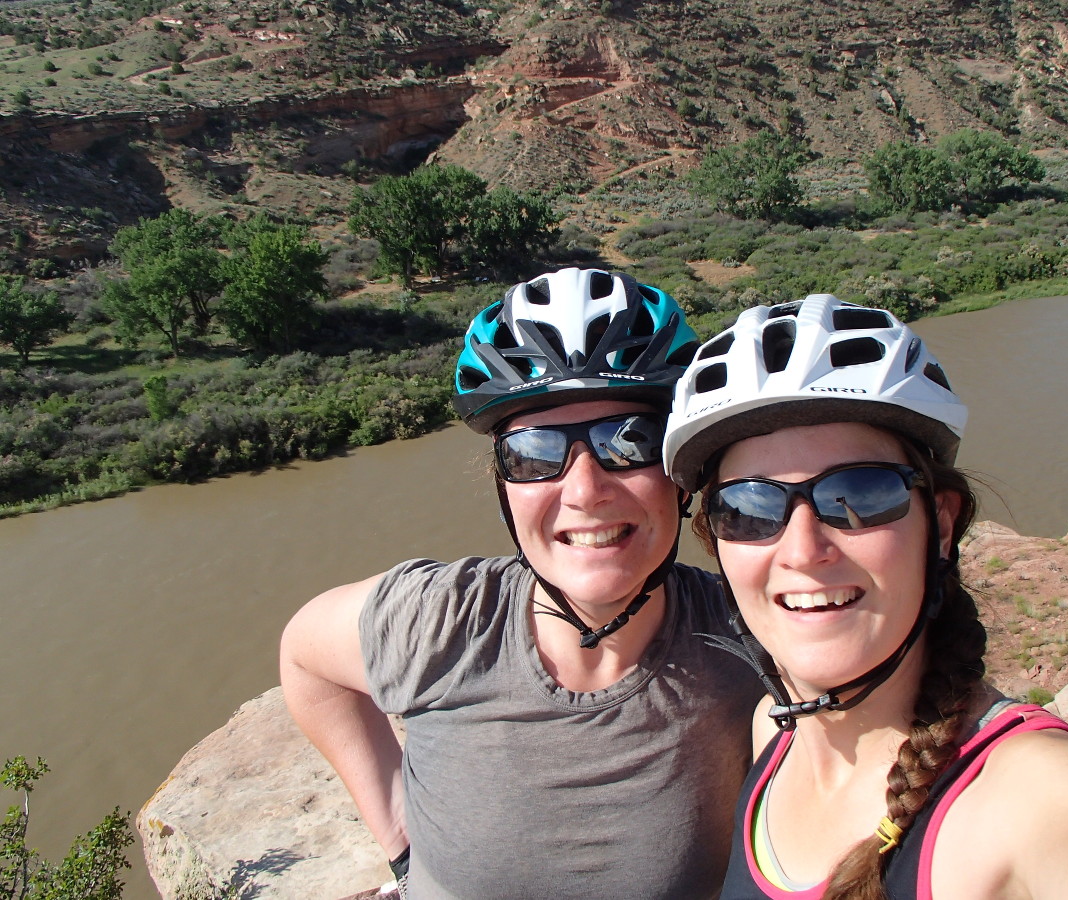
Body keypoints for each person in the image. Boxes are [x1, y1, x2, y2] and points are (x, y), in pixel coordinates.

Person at [661, 295, 1068, 899]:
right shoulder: (773, 735)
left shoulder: (1042, 802)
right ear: (716, 543)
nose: (803, 550)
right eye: (750, 507)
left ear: (940, 526)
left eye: (859, 493)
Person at [279, 267, 763, 899]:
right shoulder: (440, 620)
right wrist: (401, 841)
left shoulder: (751, 641)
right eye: (535, 452)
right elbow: (304, 657)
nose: (586, 490)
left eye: (629, 442)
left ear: (679, 472)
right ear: (503, 486)